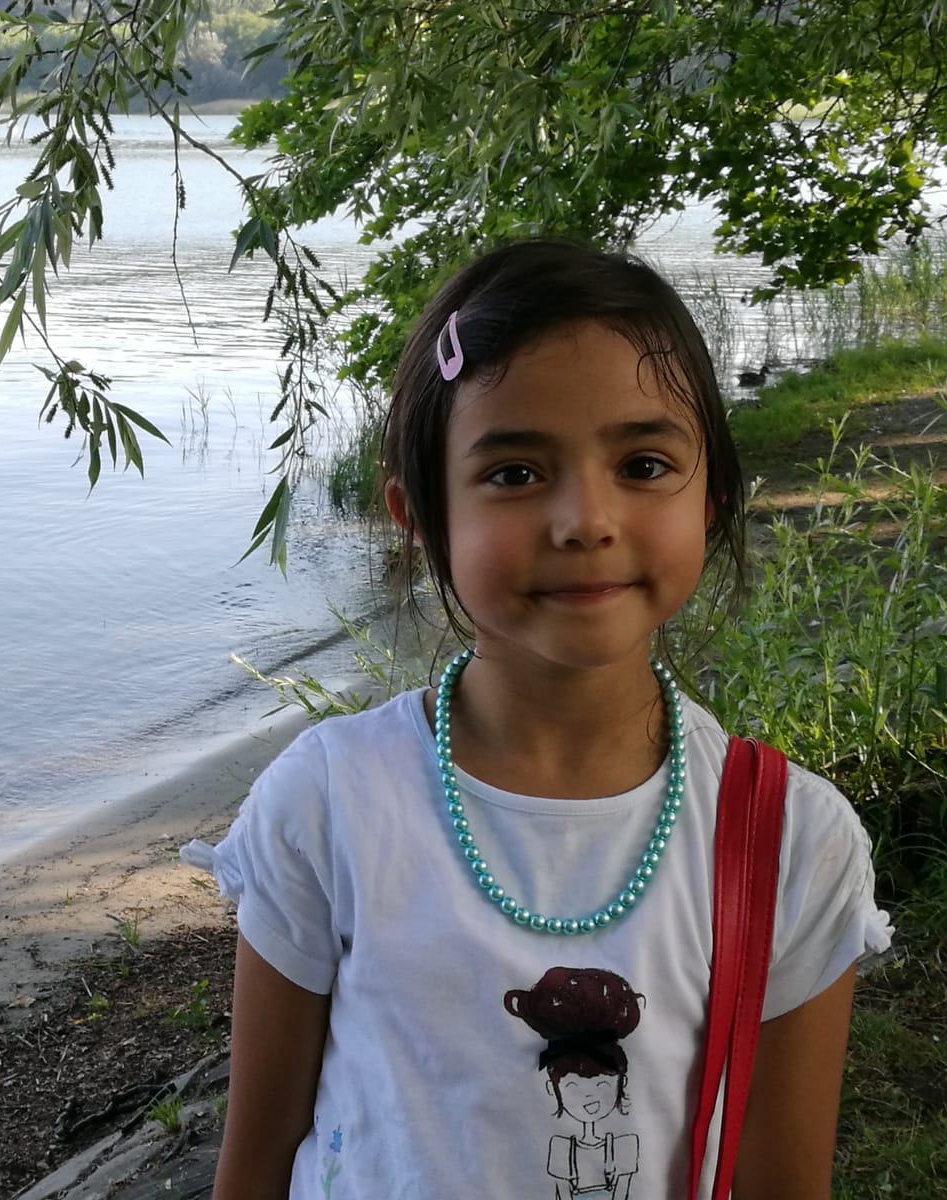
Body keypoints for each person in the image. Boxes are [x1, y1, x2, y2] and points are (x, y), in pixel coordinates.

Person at [182, 238, 891, 1199]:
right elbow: (259, 1154)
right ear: (418, 515)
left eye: (644, 463)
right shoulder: (330, 802)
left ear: (713, 496)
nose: (585, 521)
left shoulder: (789, 842)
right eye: (515, 474)